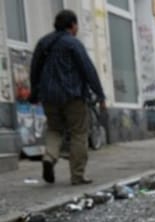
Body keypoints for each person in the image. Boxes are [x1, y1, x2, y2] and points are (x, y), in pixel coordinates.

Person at [29, 9, 106, 185]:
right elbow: (88, 70)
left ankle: (49, 157)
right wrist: (100, 95)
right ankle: (77, 175)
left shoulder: (44, 43)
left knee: (54, 129)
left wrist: (35, 92)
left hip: (49, 96)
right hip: (73, 96)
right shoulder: (73, 44)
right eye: (76, 25)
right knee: (79, 132)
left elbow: (35, 69)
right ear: (72, 26)